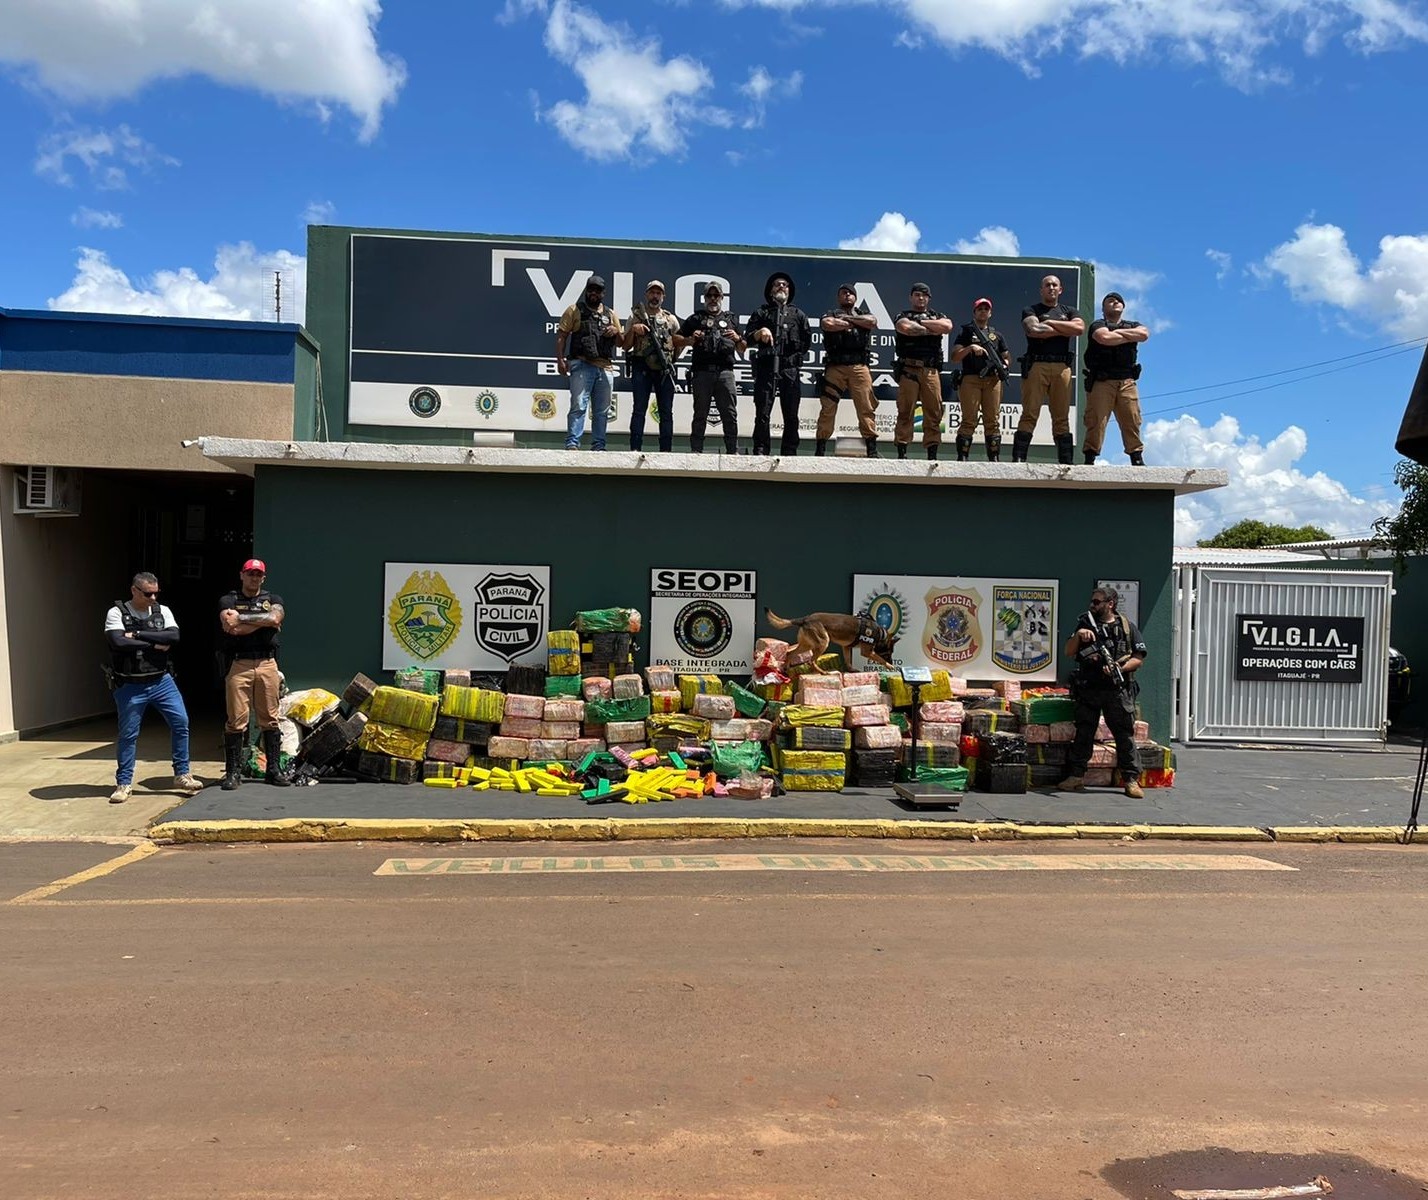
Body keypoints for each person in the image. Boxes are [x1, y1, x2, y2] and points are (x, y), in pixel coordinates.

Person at [104, 573, 203, 804]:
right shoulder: (116, 612)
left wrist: (137, 634)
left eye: (156, 592)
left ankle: (182, 774)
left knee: (181, 722)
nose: (153, 597)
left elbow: (173, 636)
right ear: (134, 590)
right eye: (148, 593)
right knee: (128, 735)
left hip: (161, 681)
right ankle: (124, 783)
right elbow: (118, 641)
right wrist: (154, 642)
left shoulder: (162, 610)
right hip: (130, 684)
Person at [1059, 586, 1147, 799]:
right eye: (1092, 601)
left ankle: (1131, 780)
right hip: (1089, 688)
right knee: (1084, 733)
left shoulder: (1127, 627)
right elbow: (1069, 652)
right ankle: (1076, 777)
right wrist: (1079, 635)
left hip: (1117, 691)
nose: (1093, 605)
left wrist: (1119, 668)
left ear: (1110, 604)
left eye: (1097, 602)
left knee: (1124, 736)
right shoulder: (1086, 624)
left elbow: (1139, 657)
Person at [218, 558, 288, 790]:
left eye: (258, 575)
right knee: (236, 721)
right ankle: (233, 773)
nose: (254, 578)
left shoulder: (273, 599)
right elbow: (231, 627)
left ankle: (273, 770)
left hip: (267, 664)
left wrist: (245, 618)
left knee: (270, 718)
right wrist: (264, 622)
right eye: (250, 574)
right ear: (242, 575)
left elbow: (275, 617)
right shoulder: (229, 599)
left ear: (263, 578)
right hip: (240, 665)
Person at [1016, 275, 1085, 464]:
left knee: (1062, 416)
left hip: (1062, 368)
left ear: (1060, 289)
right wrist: (1065, 329)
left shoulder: (1069, 310)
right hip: (1037, 365)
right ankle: (1019, 458)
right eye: (1047, 285)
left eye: (1055, 285)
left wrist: (1050, 324)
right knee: (1030, 413)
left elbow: (1079, 329)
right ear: (1041, 290)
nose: (1051, 288)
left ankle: (1065, 462)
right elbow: (1034, 330)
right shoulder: (1031, 309)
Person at [745, 271, 812, 456]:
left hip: (790, 369)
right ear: (770, 290)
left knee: (791, 414)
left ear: (790, 290)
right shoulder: (761, 312)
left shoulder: (799, 315)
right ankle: (760, 449)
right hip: (767, 366)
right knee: (763, 412)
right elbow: (747, 338)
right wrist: (760, 332)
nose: (781, 287)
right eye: (777, 284)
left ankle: (789, 451)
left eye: (785, 284)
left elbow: (806, 343)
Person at [555, 274, 623, 452]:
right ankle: (572, 443)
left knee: (602, 411)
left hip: (605, 367)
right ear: (586, 291)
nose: (593, 293)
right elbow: (562, 336)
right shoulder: (574, 310)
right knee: (578, 405)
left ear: (603, 293)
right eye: (591, 289)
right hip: (582, 364)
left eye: (597, 290)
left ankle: (599, 445)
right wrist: (560, 359)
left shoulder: (611, 313)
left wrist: (615, 331)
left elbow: (622, 342)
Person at [1083, 292, 1150, 465]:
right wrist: (1128, 336)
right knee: (1096, 420)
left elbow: (1143, 334)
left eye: (1119, 301)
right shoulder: (1098, 324)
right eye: (1110, 301)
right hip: (1102, 381)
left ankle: (1136, 458)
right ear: (1103, 308)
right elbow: (1104, 337)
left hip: (1127, 381)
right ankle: (1090, 458)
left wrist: (1117, 334)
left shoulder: (1134, 324)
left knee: (1132, 419)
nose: (1115, 302)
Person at [680, 282, 745, 454]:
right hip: (702, 373)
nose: (713, 299)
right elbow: (675, 339)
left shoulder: (731, 319)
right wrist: (690, 340)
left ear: (722, 298)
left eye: (716, 296)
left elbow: (743, 347)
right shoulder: (696, 319)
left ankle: (732, 451)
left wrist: (738, 338)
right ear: (704, 298)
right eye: (709, 295)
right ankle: (696, 451)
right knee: (700, 414)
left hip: (725, 373)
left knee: (730, 414)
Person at [818, 283, 880, 457]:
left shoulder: (863, 314)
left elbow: (872, 322)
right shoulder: (831, 313)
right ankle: (820, 447)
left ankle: (871, 447)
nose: (847, 295)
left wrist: (848, 321)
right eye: (843, 293)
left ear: (855, 297)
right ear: (839, 297)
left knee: (866, 407)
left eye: (850, 293)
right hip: (835, 367)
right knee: (827, 408)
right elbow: (828, 324)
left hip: (859, 367)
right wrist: (854, 324)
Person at [891, 282, 952, 460]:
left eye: (924, 295)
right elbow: (906, 328)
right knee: (905, 411)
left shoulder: (937, 315)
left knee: (933, 412)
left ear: (929, 298)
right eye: (917, 294)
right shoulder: (903, 315)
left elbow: (947, 327)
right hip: (909, 368)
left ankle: (932, 454)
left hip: (931, 370)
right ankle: (902, 452)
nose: (920, 298)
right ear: (911, 297)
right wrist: (931, 329)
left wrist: (921, 323)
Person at [623, 279, 682, 452]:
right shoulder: (636, 316)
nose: (655, 296)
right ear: (646, 294)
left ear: (663, 296)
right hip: (642, 367)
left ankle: (666, 450)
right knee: (639, 409)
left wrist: (669, 359)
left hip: (664, 369)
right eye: (652, 292)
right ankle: (635, 449)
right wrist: (634, 329)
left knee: (666, 412)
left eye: (658, 293)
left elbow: (679, 342)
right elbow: (625, 345)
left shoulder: (671, 319)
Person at [950, 297, 1011, 461]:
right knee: (969, 419)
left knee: (992, 420)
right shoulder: (966, 332)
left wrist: (1002, 366)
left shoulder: (996, 335)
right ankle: (962, 457)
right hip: (971, 379)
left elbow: (1006, 357)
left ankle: (994, 458)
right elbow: (955, 357)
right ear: (974, 312)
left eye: (986, 309)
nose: (983, 311)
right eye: (980, 309)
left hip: (992, 381)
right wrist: (970, 348)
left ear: (990, 313)